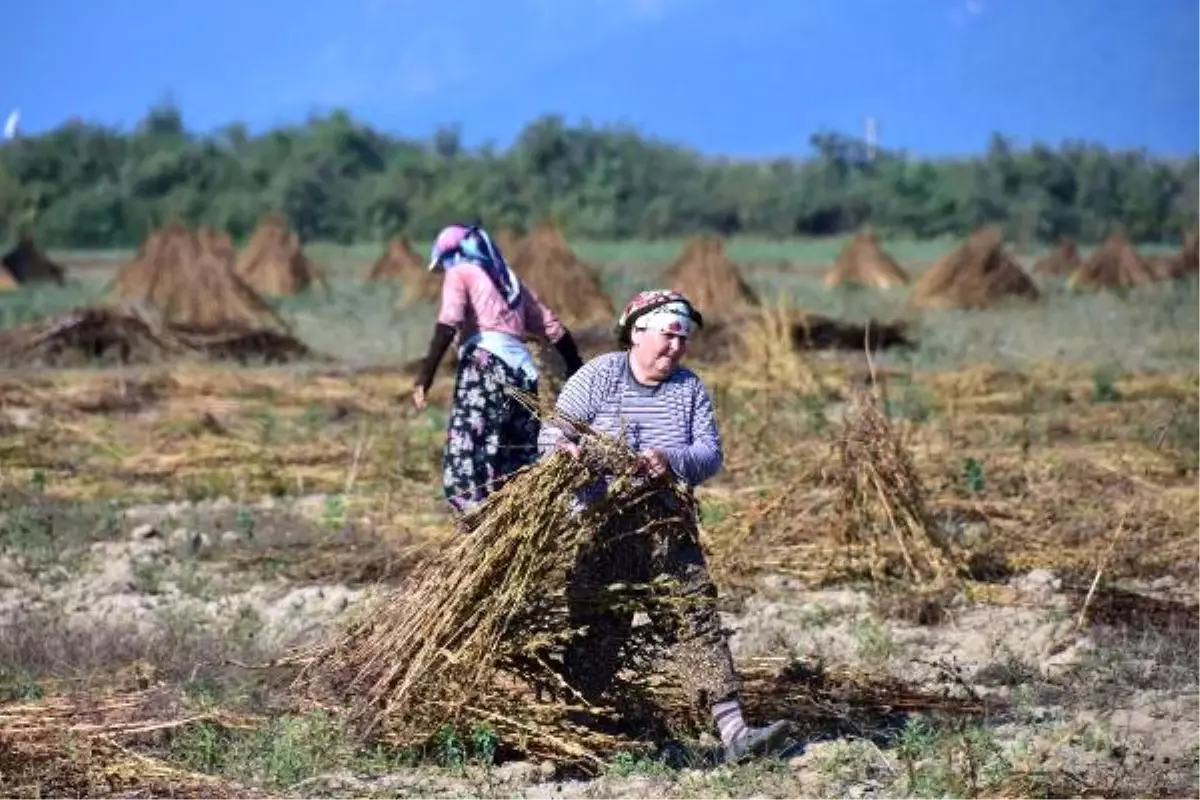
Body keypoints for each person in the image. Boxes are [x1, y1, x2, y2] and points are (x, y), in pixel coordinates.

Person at [537, 289, 794, 763]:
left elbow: (709, 455)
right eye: (668, 334)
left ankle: (737, 734)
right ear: (637, 332)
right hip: (602, 529)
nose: (676, 346)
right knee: (597, 631)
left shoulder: (689, 389)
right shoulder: (598, 376)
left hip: (666, 530)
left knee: (696, 623)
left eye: (684, 338)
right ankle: (569, 735)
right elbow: (553, 431)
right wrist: (564, 452)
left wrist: (669, 460)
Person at [413, 222, 584, 513]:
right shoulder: (510, 281)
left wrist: (424, 377)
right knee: (517, 455)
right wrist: (577, 370)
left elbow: (448, 323)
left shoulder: (461, 272)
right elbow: (552, 327)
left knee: (470, 458)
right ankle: (517, 521)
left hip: (485, 368)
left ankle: (477, 526)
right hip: (522, 373)